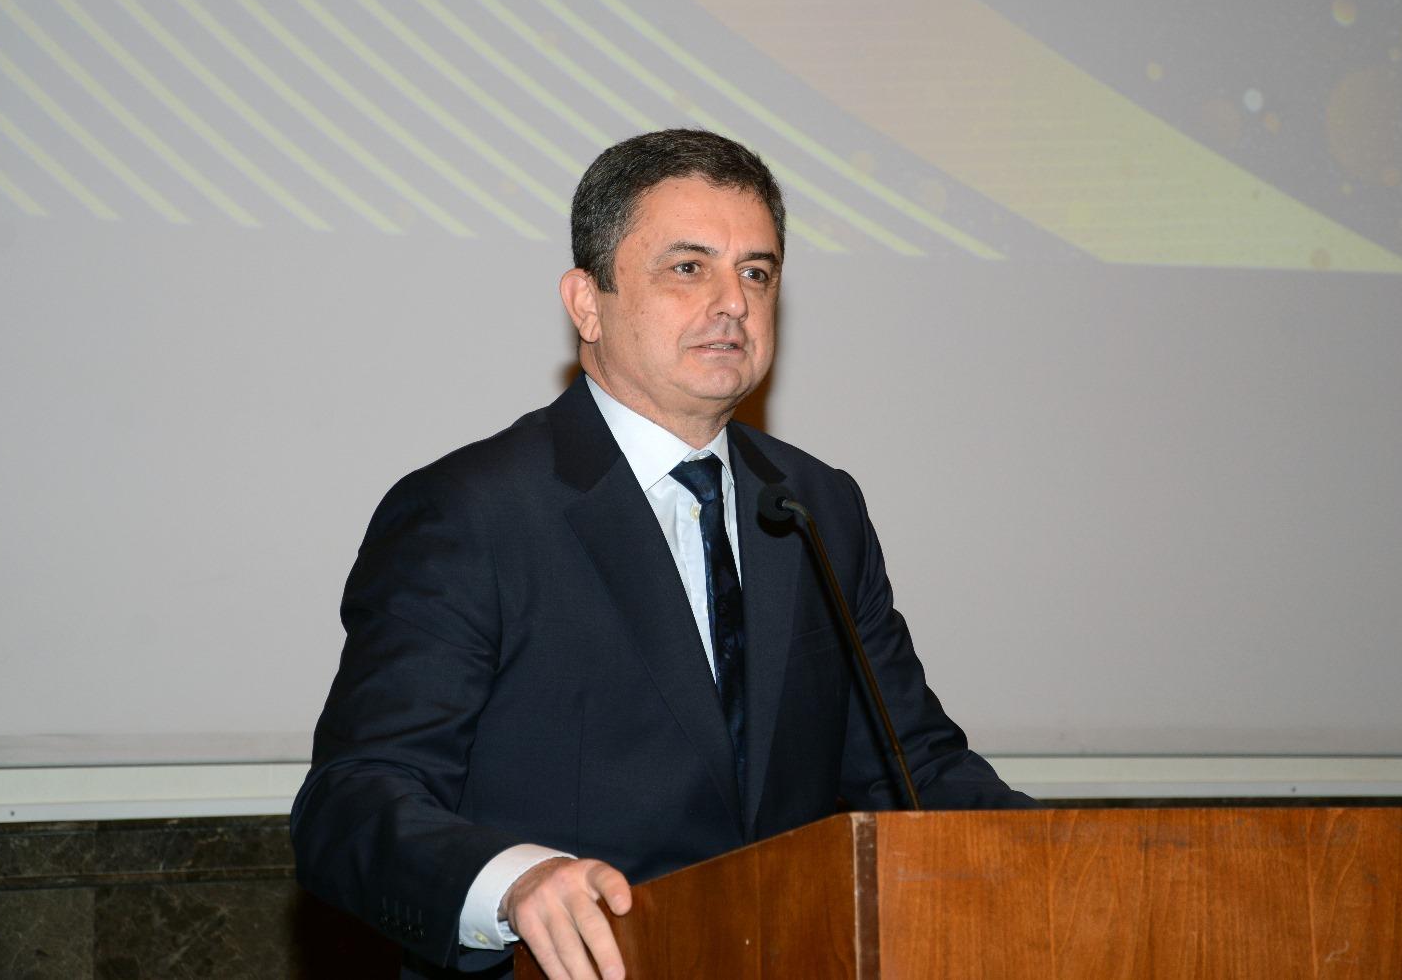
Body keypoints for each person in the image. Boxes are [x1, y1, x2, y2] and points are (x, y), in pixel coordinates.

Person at [291, 130, 1034, 980]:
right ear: (587, 303)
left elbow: (915, 768)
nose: (733, 303)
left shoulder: (817, 506)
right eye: (689, 268)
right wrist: (511, 883)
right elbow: (352, 802)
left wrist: (1074, 858)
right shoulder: (472, 512)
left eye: (756, 273)